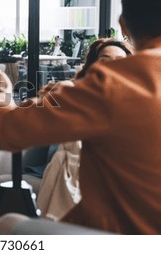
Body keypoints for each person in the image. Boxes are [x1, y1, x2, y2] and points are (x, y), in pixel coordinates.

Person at [0, 0, 161, 234]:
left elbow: (1, 132)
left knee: (6, 226)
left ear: (124, 25)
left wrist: (1, 93)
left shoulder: (112, 84)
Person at [36, 38, 133, 221]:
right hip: (75, 155)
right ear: (92, 66)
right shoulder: (75, 90)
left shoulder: (136, 97)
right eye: (104, 60)